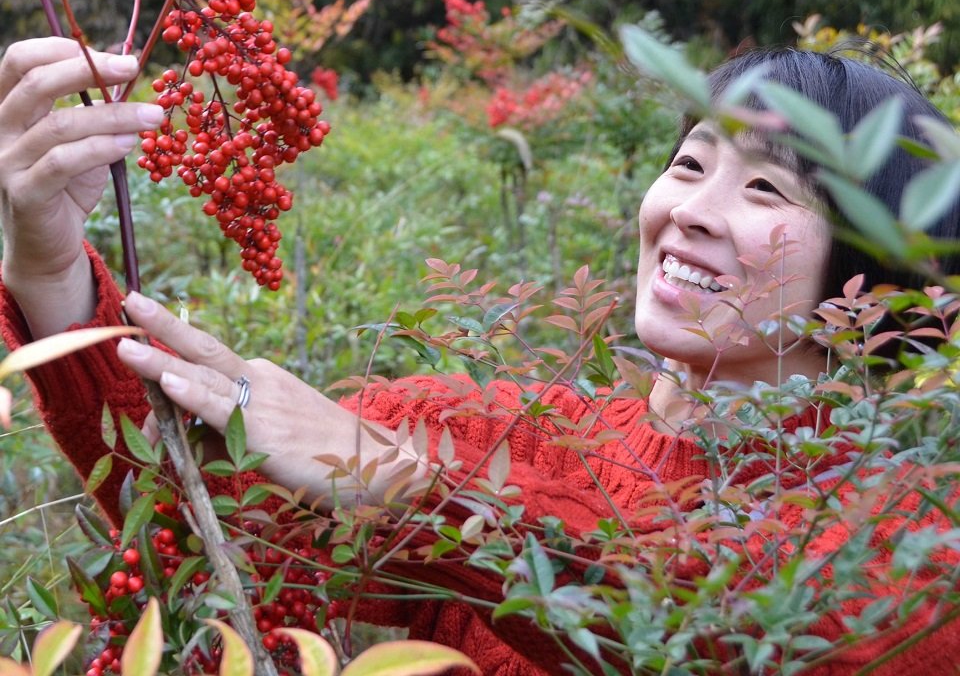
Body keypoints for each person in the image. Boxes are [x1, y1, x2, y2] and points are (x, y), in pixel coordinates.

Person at [1, 37, 959, 675]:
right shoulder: (486, 432)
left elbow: (737, 640)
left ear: (873, 267)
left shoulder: (909, 534)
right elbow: (197, 522)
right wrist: (49, 270)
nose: (693, 212)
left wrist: (405, 490)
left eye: (765, 189)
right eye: (690, 164)